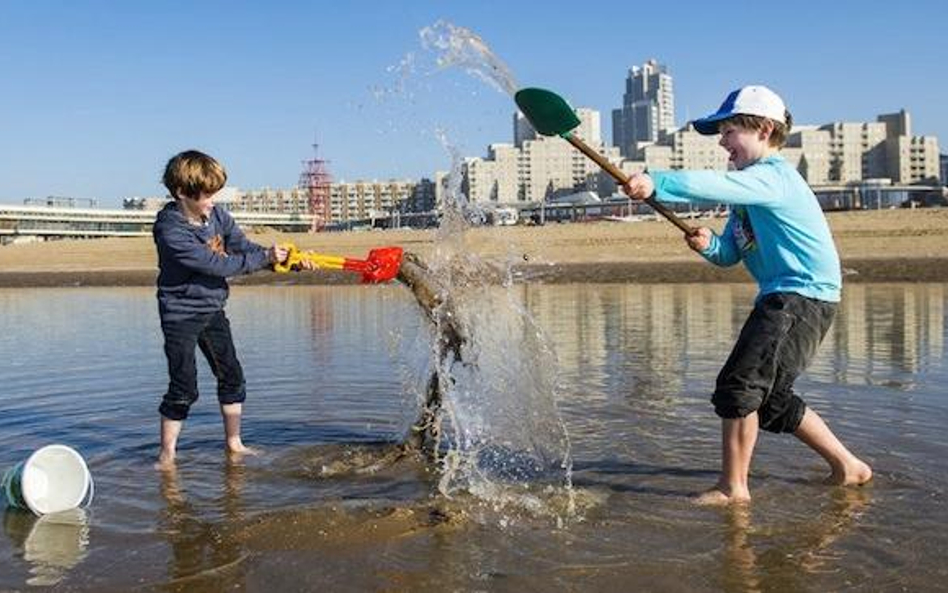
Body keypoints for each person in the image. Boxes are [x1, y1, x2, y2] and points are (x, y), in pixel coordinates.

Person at [622, 85, 872, 504]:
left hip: (800, 296)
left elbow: (711, 184)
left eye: (730, 129)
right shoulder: (747, 195)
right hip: (788, 297)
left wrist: (657, 182)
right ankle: (850, 468)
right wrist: (709, 246)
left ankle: (733, 488)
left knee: (739, 385)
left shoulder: (774, 178)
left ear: (764, 129)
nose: (722, 141)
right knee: (771, 400)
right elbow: (731, 254)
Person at [153, 149, 288, 469]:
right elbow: (216, 265)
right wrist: (265, 258)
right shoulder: (170, 229)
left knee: (233, 377)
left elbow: (243, 248)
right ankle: (167, 455)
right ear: (182, 193)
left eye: (215, 193)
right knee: (184, 386)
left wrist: (282, 260)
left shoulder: (218, 216)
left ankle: (234, 444)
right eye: (206, 195)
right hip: (180, 315)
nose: (213, 201)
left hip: (212, 309)